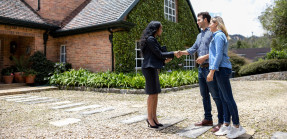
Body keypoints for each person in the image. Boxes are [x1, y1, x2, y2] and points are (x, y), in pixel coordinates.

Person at [178, 12, 224, 132]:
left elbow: (218, 51)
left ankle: (222, 122)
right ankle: (208, 119)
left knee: (216, 96)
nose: (197, 22)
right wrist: (181, 52)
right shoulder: (199, 36)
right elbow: (193, 49)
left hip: (210, 68)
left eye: (199, 20)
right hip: (201, 69)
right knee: (204, 96)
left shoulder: (213, 32)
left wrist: (204, 57)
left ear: (205, 20)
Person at [207, 16, 246, 138]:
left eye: (210, 23)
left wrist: (212, 71)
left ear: (216, 24)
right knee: (224, 98)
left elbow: (218, 55)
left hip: (221, 69)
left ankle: (237, 126)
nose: (208, 25)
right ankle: (226, 124)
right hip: (220, 69)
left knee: (228, 98)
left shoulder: (219, 36)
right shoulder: (217, 36)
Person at [140, 21, 180, 128]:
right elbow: (159, 54)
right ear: (156, 29)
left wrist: (164, 61)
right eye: (160, 28)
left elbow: (154, 57)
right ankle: (149, 118)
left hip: (152, 68)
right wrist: (174, 53)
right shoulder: (150, 39)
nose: (161, 30)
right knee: (152, 94)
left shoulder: (152, 39)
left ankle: (154, 117)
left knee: (155, 93)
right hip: (149, 69)